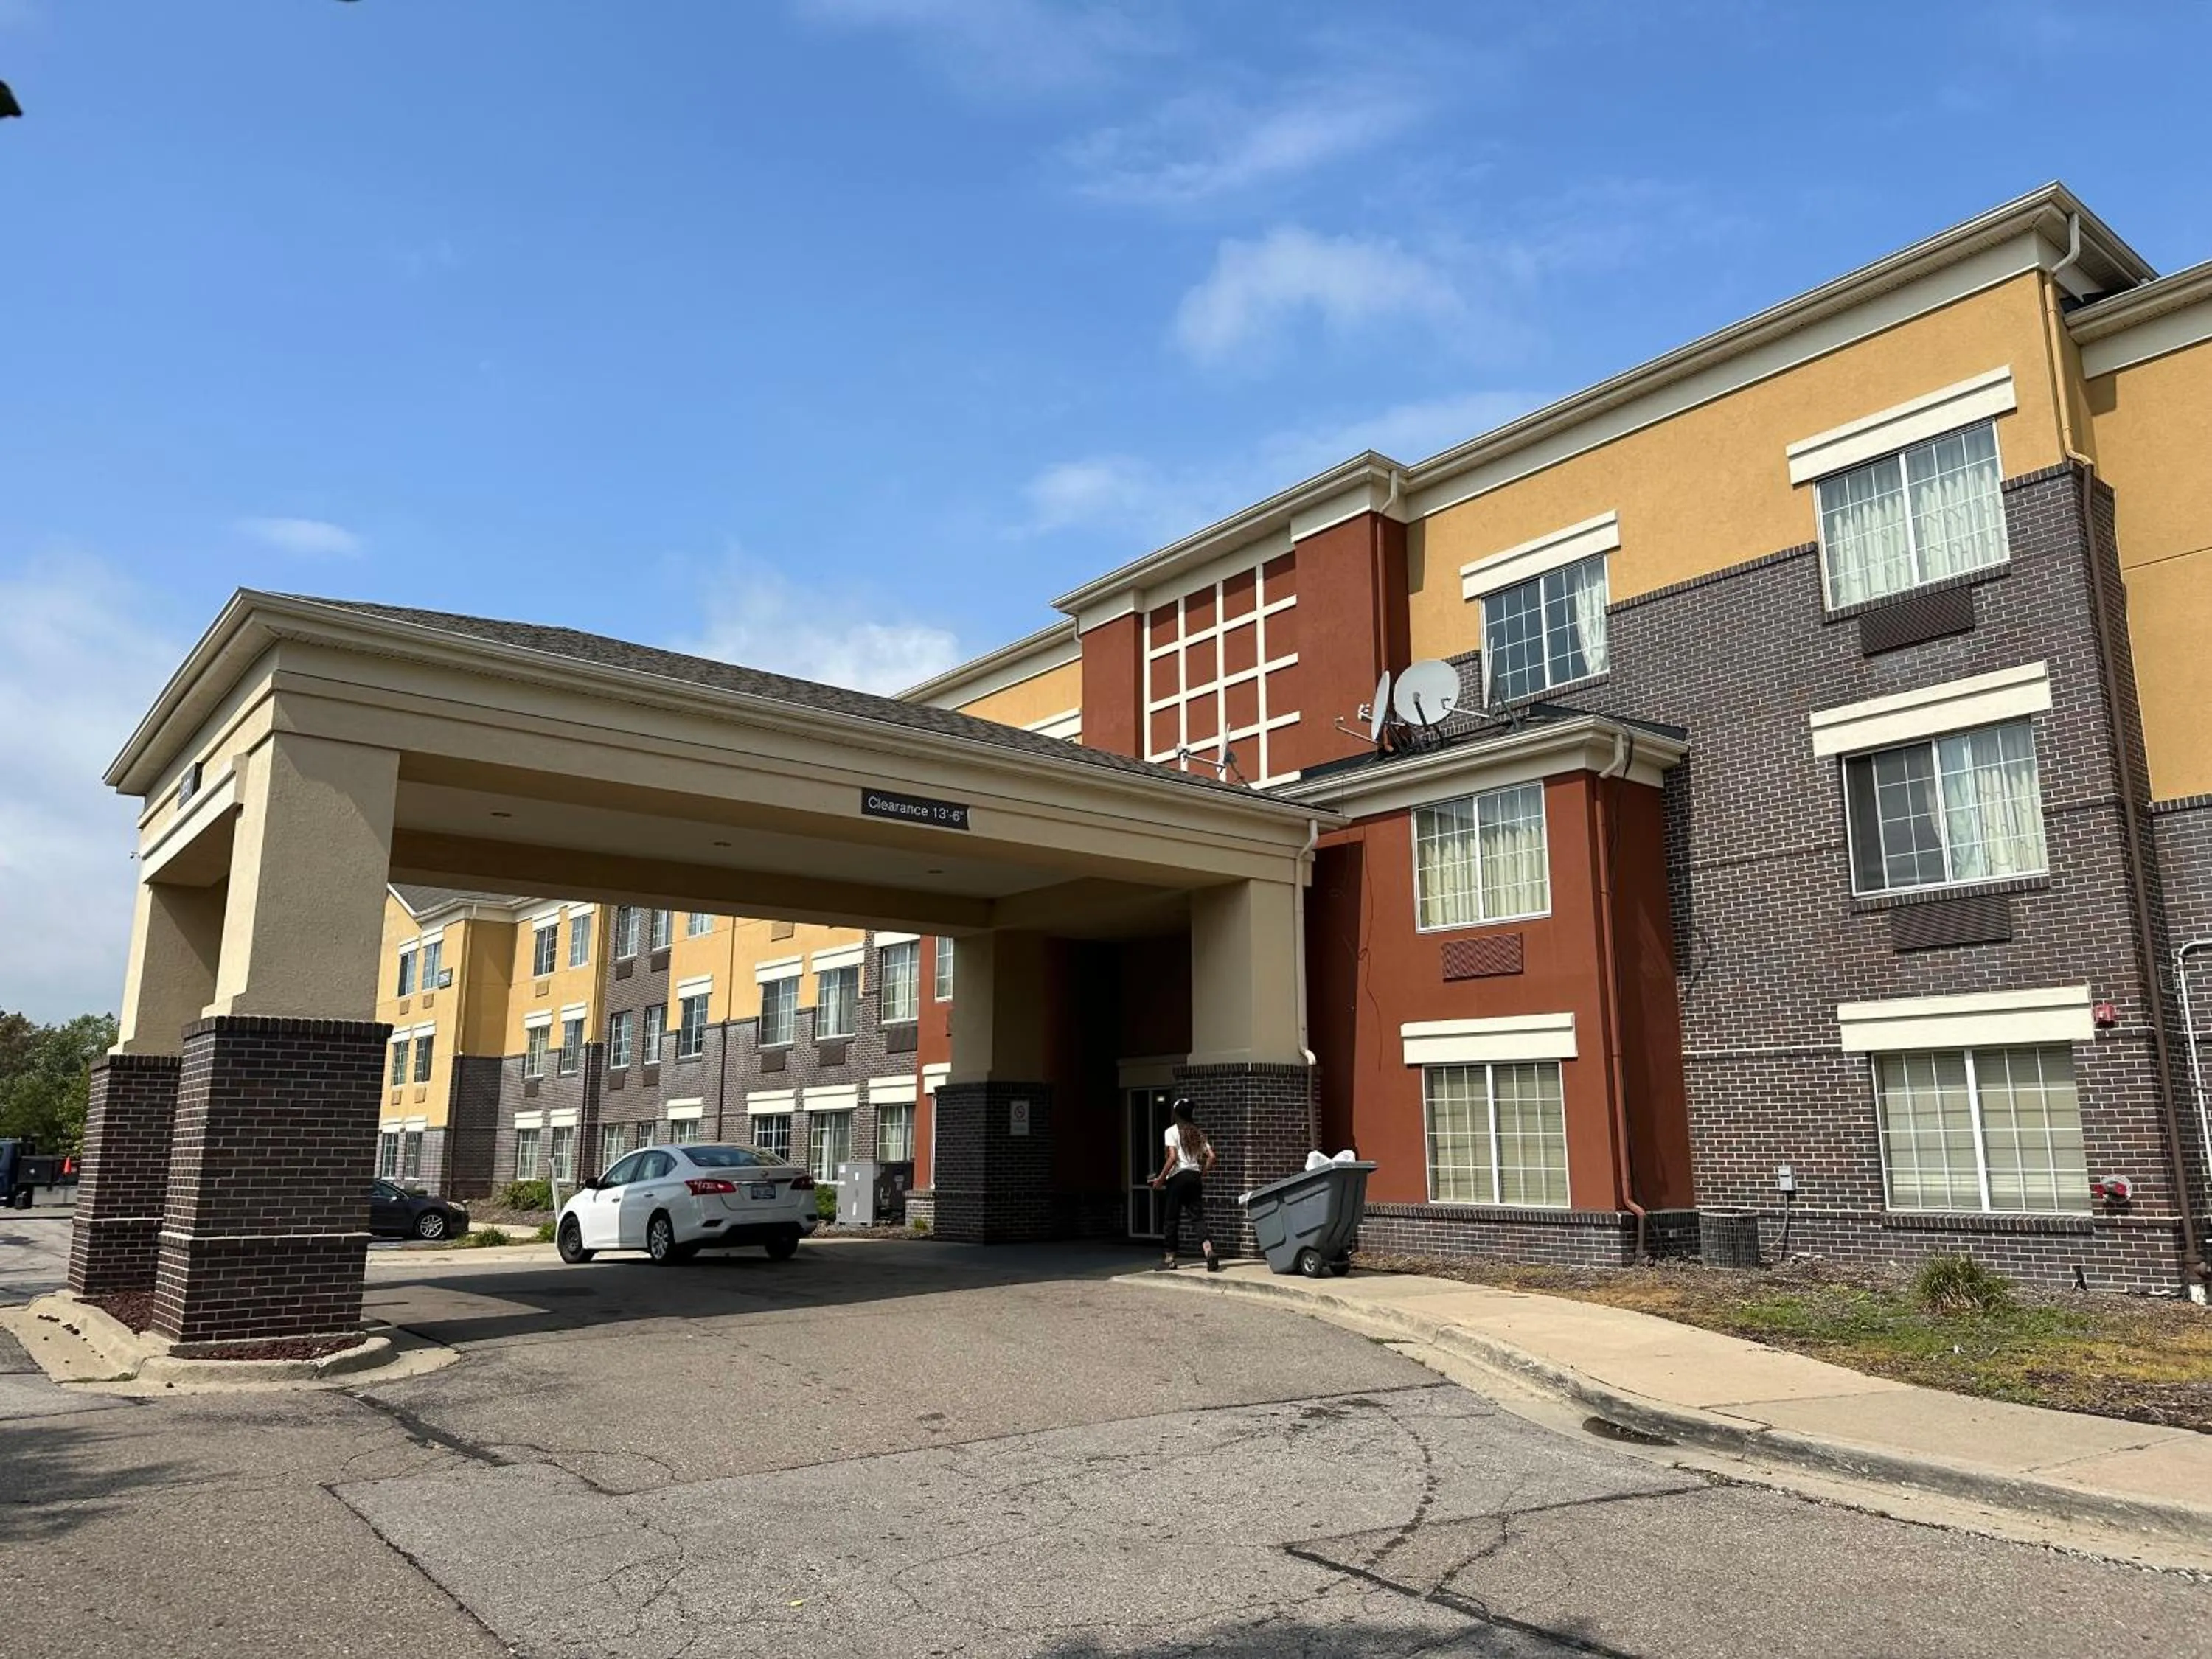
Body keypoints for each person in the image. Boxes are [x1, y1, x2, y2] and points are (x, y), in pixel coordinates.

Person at [1149, 1098, 1221, 1272]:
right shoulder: (1197, 1133)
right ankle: (1209, 1251)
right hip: (1194, 1177)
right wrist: (1201, 1173)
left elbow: (1173, 1158)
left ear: (1175, 1113)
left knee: (1171, 1220)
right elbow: (1212, 1157)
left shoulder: (1171, 1131)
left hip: (1178, 1178)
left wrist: (1160, 1179)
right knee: (1197, 1218)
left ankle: (1170, 1259)